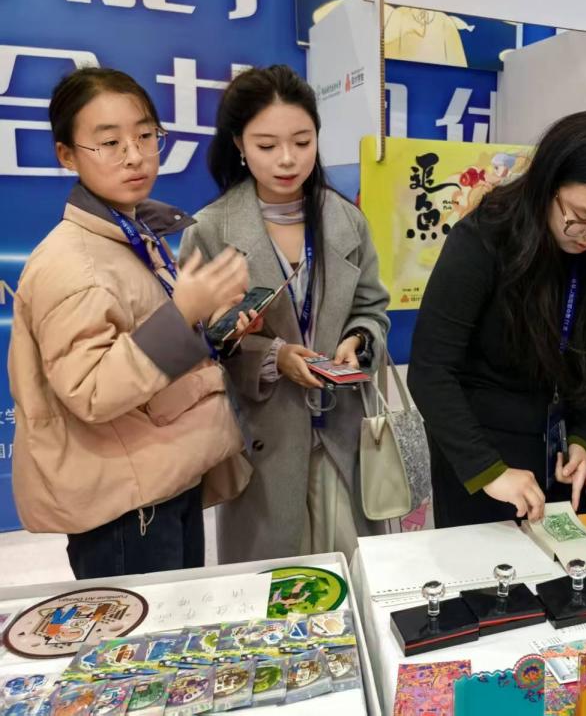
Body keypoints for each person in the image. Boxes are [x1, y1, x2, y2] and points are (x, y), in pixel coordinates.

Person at [8, 67, 250, 579]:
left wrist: (211, 327)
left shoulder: (131, 232)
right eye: (109, 143)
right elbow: (92, 390)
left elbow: (143, 345)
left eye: (144, 136)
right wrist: (183, 314)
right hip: (127, 509)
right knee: (144, 630)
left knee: (182, 621)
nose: (135, 155)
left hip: (164, 479)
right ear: (67, 155)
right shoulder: (73, 262)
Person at [181, 64, 390, 562]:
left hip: (342, 434)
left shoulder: (347, 220)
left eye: (302, 141)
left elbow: (372, 308)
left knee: (355, 572)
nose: (288, 159)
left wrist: (359, 341)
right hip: (262, 442)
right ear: (239, 144)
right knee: (274, 586)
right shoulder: (209, 230)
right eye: (267, 145)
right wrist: (274, 357)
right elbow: (195, 346)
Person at [408, 110, 586, 527]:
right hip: (483, 453)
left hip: (561, 452)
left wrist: (585, 441)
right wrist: (489, 470)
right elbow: (431, 370)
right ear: (547, 185)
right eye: (580, 217)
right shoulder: (484, 239)